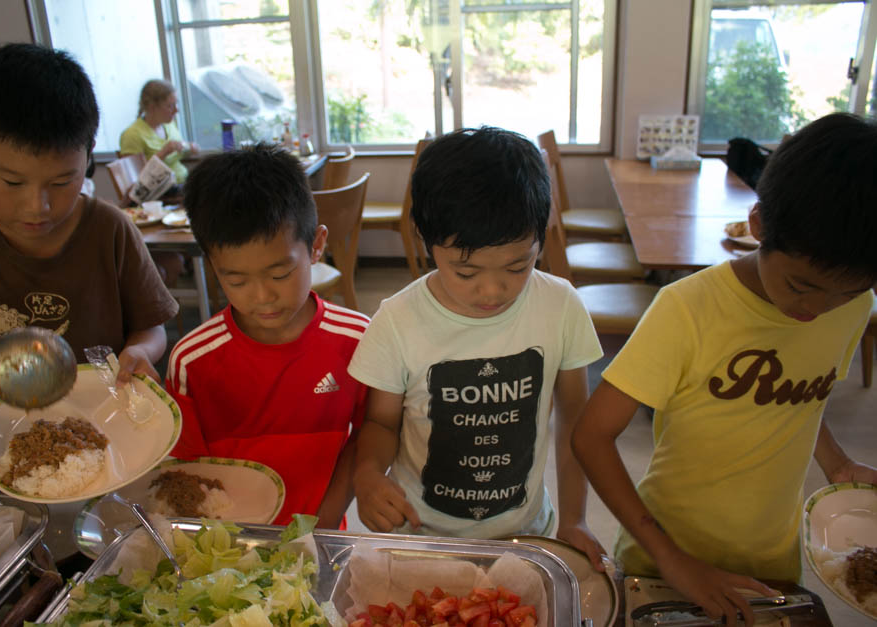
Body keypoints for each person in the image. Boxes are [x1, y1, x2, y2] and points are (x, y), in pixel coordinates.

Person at [572, 113, 877, 625]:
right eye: (801, 286)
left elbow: (805, 396)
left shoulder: (852, 306)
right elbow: (590, 436)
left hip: (772, 557)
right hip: (664, 555)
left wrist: (838, 464)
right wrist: (672, 558)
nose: (816, 310)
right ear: (758, 227)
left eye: (844, 292)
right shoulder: (688, 308)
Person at [348, 127, 606, 566]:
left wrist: (575, 519)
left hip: (525, 536)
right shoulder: (397, 320)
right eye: (465, 272)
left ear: (540, 238)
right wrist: (368, 474)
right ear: (425, 242)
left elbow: (574, 423)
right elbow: (381, 423)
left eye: (518, 266)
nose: (492, 290)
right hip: (421, 538)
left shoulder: (560, 305)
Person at [0, 43, 179, 426]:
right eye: (12, 182)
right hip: (5, 443)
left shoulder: (108, 229)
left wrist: (141, 351)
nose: (38, 206)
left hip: (111, 428)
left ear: (88, 156)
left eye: (63, 180)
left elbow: (151, 326)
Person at [165, 143, 369, 529]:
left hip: (322, 532)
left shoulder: (357, 341)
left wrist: (320, 528)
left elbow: (366, 438)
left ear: (316, 246)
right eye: (235, 279)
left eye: (279, 274)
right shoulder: (192, 361)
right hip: (227, 544)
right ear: (212, 267)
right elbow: (186, 476)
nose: (262, 296)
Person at [119, 79, 199, 186]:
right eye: (170, 106)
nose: (176, 110)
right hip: (163, 191)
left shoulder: (169, 125)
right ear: (152, 107)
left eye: (176, 104)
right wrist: (164, 152)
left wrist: (189, 148)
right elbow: (136, 180)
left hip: (182, 180)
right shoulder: (132, 135)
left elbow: (177, 154)